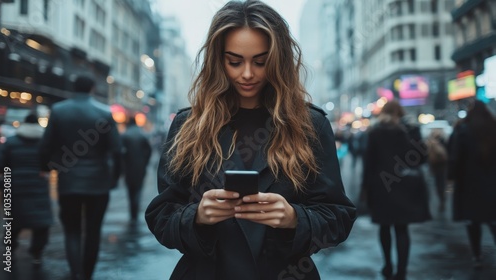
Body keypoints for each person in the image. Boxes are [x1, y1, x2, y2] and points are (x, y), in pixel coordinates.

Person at [145, 1, 356, 279]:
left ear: (278, 59)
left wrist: (294, 218)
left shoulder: (310, 124)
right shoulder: (188, 125)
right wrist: (197, 216)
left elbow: (338, 216)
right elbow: (162, 216)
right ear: (218, 60)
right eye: (234, 61)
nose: (247, 74)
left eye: (260, 61)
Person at [39, 74, 122, 280]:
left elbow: (46, 145)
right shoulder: (104, 112)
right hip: (98, 182)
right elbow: (117, 150)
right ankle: (87, 274)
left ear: (73, 87)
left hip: (68, 180)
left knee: (72, 230)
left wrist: (45, 168)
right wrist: (114, 178)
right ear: (93, 88)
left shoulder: (58, 111)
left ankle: (75, 273)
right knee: (93, 232)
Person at [362, 100, 430, 280]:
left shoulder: (375, 132)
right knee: (402, 229)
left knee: (384, 227)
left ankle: (387, 266)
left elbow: (369, 162)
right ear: (400, 112)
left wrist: (366, 188)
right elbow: (422, 158)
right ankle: (401, 272)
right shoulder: (411, 130)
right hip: (405, 185)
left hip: (382, 185)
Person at [0, 113, 53, 266]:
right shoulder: (44, 143)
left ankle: (10, 251)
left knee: (12, 221)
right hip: (38, 187)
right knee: (40, 222)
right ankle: (36, 253)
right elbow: (51, 163)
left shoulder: (10, 142)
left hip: (14, 187)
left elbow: (0, 163)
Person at [447, 100, 496, 269]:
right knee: (493, 220)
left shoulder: (463, 131)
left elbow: (455, 158)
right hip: (492, 185)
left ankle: (477, 255)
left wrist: (451, 177)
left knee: (473, 221)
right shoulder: (493, 129)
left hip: (470, 184)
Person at [121, 116, 152, 222]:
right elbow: (149, 151)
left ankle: (132, 211)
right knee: (138, 188)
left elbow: (120, 152)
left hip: (128, 167)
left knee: (130, 189)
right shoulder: (142, 135)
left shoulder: (125, 135)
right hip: (140, 167)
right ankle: (135, 208)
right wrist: (145, 162)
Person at [425, 128, 448, 213]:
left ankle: (432, 202)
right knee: (440, 185)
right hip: (441, 167)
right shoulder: (444, 141)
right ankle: (442, 200)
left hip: (433, 166)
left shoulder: (429, 142)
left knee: (432, 185)